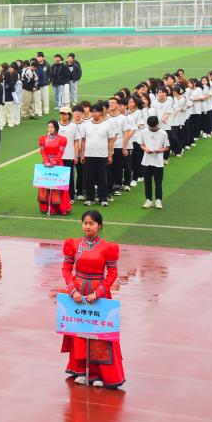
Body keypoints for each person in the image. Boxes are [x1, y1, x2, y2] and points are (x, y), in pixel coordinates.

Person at [61, 210, 125, 388]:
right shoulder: (73, 245)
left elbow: (112, 273)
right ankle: (82, 370)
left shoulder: (108, 247)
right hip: (78, 295)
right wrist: (73, 290)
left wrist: (98, 293)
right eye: (85, 223)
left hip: (99, 295)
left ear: (99, 226)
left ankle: (100, 374)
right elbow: (66, 269)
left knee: (100, 336)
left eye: (91, 223)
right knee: (80, 332)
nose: (87, 226)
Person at [79, 103, 115, 207]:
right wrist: (82, 155)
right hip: (89, 155)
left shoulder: (107, 125)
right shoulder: (86, 125)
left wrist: (110, 155)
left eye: (96, 112)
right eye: (92, 112)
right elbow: (83, 140)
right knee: (89, 178)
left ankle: (103, 198)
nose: (94, 114)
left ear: (101, 112)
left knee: (102, 178)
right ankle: (90, 198)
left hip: (102, 155)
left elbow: (110, 141)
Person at [38, 121, 73, 215]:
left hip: (57, 164)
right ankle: (47, 208)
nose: (49, 129)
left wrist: (53, 162)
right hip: (46, 164)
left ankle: (61, 208)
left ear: (56, 128)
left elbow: (60, 153)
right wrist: (46, 161)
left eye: (52, 127)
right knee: (46, 185)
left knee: (58, 186)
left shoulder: (62, 139)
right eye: (48, 127)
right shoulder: (43, 139)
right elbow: (42, 151)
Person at [140, 115, 169, 209]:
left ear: (157, 124)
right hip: (146, 161)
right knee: (147, 182)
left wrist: (159, 150)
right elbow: (141, 144)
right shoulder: (144, 132)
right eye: (150, 127)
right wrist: (146, 149)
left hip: (158, 162)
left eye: (153, 127)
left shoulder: (163, 133)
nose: (152, 129)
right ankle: (148, 200)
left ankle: (158, 200)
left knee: (158, 182)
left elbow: (167, 147)